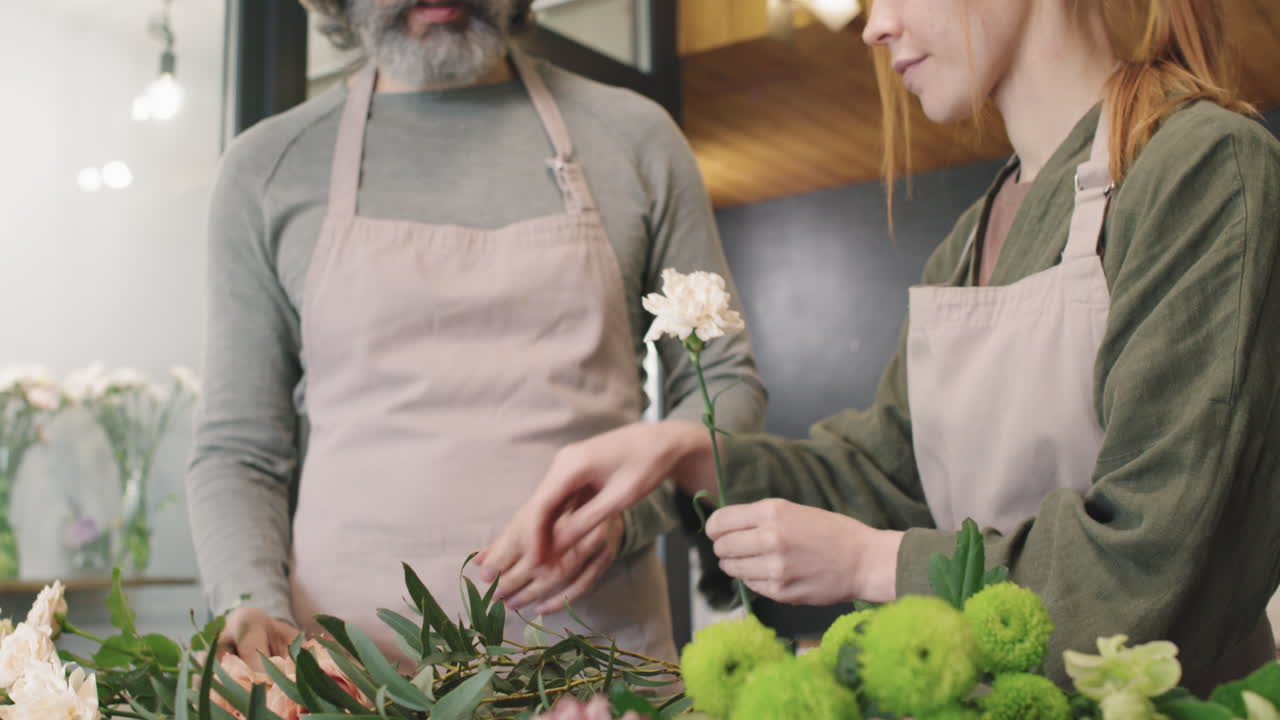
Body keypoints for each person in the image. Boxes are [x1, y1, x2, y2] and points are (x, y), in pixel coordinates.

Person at [480, 0, 1280, 694]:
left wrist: (873, 564)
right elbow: (885, 477)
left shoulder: (1206, 169)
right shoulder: (970, 240)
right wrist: (684, 456)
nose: (874, 26)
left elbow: (1157, 563)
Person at [186, 0, 765, 668]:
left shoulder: (635, 137)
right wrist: (250, 603)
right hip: (347, 677)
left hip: (600, 667)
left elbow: (725, 388)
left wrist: (630, 513)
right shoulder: (266, 167)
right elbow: (240, 450)